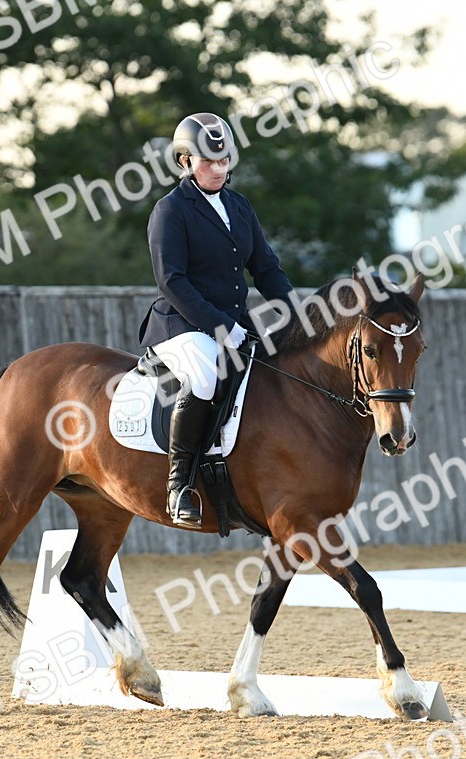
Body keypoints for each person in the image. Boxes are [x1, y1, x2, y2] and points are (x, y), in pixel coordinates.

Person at [138, 112, 296, 528]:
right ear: (185, 161)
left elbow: (266, 267)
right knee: (208, 376)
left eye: (224, 160)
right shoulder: (170, 211)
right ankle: (180, 485)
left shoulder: (239, 205)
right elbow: (172, 280)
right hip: (181, 324)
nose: (219, 169)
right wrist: (220, 326)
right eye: (209, 161)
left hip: (235, 321)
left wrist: (297, 312)